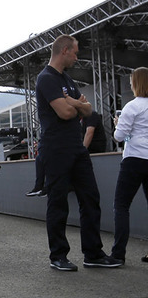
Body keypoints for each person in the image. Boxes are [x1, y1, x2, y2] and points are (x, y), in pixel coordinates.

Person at [35, 34, 121, 271]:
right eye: (75, 52)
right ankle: (58, 255)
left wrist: (73, 102)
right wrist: (76, 104)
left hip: (77, 149)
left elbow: (89, 110)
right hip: (56, 149)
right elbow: (65, 113)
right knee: (58, 202)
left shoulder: (67, 80)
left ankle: (93, 253)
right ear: (64, 50)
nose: (77, 56)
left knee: (90, 198)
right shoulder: (47, 78)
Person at [111, 67, 148, 264]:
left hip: (134, 159)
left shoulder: (132, 107)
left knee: (122, 206)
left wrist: (119, 125)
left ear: (135, 83)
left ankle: (118, 255)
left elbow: (119, 137)